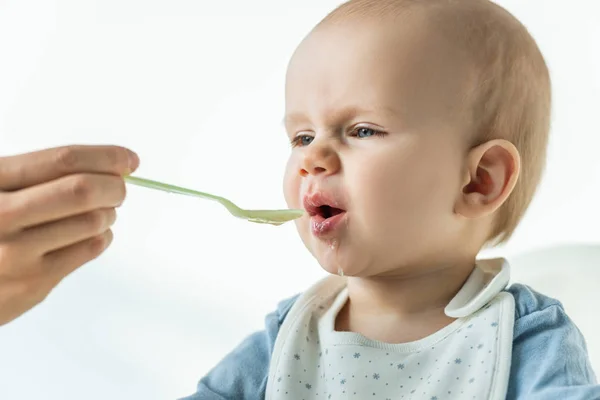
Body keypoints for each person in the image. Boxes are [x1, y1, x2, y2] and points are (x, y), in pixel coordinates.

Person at [0, 0, 598, 399]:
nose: (312, 157)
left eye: (360, 130)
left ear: (479, 181)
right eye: (302, 136)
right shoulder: (292, 331)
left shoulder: (526, 338)